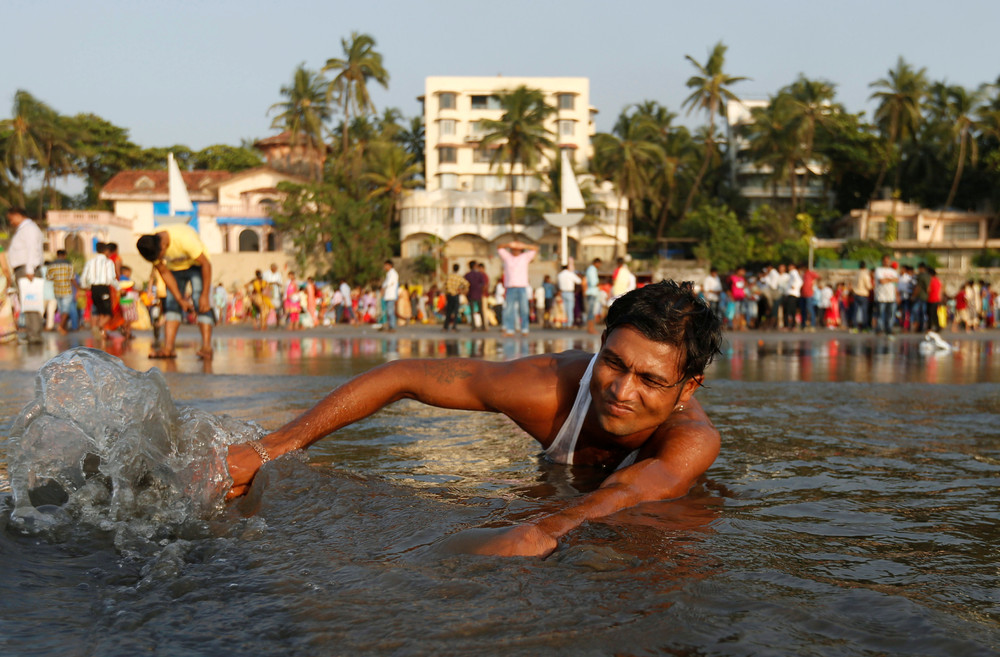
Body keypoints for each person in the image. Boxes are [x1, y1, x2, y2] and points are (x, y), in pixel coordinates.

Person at [225, 280, 723, 557]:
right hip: (557, 479)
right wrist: (271, 447)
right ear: (601, 347)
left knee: (675, 535)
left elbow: (630, 492)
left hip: (634, 496)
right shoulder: (549, 386)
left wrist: (544, 531)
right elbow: (403, 374)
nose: (620, 390)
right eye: (613, 362)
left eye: (650, 380)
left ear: (688, 387)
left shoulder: (692, 440)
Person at [136, 224, 214, 359]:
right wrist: (180, 299)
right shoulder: (151, 244)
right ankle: (168, 349)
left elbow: (206, 264)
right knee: (171, 305)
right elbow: (164, 272)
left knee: (200, 302)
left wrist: (205, 295)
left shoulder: (185, 239)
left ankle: (206, 347)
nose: (160, 259)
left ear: (164, 245)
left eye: (160, 256)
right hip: (174, 270)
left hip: (197, 266)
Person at [6, 207, 46, 344]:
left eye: (11, 219)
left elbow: (33, 249)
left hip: (27, 270)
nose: (11, 222)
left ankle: (34, 335)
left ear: (17, 215)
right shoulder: (23, 229)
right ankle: (32, 333)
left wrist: (30, 269)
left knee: (32, 302)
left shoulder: (29, 229)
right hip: (23, 269)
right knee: (28, 303)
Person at [497, 240, 537, 336]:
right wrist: (508, 244)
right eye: (514, 249)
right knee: (509, 309)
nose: (515, 251)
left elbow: (535, 248)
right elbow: (499, 247)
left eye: (517, 249)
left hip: (522, 286)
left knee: (524, 309)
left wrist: (523, 245)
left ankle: (525, 328)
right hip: (510, 287)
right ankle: (510, 329)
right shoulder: (507, 257)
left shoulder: (524, 257)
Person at [80, 242, 117, 337]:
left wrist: (85, 286)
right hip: (104, 288)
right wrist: (119, 288)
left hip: (93, 288)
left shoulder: (90, 262)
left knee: (98, 311)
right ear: (106, 251)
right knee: (108, 313)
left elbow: (84, 277)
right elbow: (111, 278)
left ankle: (101, 333)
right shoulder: (108, 262)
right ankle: (99, 326)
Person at [46, 249, 77, 334]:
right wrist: (77, 287)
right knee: (66, 310)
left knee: (61, 309)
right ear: (64, 255)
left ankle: (63, 327)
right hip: (67, 289)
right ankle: (61, 326)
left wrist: (57, 279)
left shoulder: (52, 266)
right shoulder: (68, 265)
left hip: (57, 290)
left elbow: (48, 277)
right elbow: (72, 278)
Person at [872, 255, 899, 336]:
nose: (887, 262)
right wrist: (891, 279)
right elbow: (882, 281)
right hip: (881, 296)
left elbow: (896, 281)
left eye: (888, 260)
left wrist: (897, 295)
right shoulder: (878, 270)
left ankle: (889, 329)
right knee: (880, 314)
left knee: (891, 314)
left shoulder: (893, 271)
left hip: (891, 296)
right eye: (885, 260)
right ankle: (880, 329)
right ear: (882, 261)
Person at [442, 263, 469, 331]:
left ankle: (445, 327)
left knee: (448, 311)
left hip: (449, 295)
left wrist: (446, 292)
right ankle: (454, 327)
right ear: (458, 269)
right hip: (456, 295)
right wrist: (461, 290)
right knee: (456, 312)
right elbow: (467, 284)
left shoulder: (449, 276)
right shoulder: (459, 277)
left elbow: (445, 285)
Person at [464, 260, 488, 331]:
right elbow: (484, 285)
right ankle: (483, 326)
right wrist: (482, 291)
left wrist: (466, 294)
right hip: (478, 294)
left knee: (472, 311)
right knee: (481, 311)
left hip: (470, 295)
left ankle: (474, 327)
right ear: (475, 266)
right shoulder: (480, 274)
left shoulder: (467, 275)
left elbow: (465, 286)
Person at [557, 264, 582, 328]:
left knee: (564, 308)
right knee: (570, 308)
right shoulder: (570, 274)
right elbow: (579, 281)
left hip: (563, 292)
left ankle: (564, 323)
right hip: (570, 292)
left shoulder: (559, 275)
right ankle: (570, 323)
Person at [584, 258, 602, 334]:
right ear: (596, 263)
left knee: (591, 311)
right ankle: (590, 328)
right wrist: (601, 283)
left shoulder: (591, 269)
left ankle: (591, 328)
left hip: (592, 292)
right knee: (591, 311)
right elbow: (594, 282)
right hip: (592, 292)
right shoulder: (592, 269)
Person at [380, 260, 399, 332]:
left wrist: (383, 288)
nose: (384, 267)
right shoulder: (389, 273)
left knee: (390, 311)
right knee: (388, 311)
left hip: (391, 295)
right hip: (387, 295)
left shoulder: (393, 273)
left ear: (389, 265)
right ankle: (390, 326)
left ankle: (392, 326)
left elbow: (389, 283)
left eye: (385, 265)